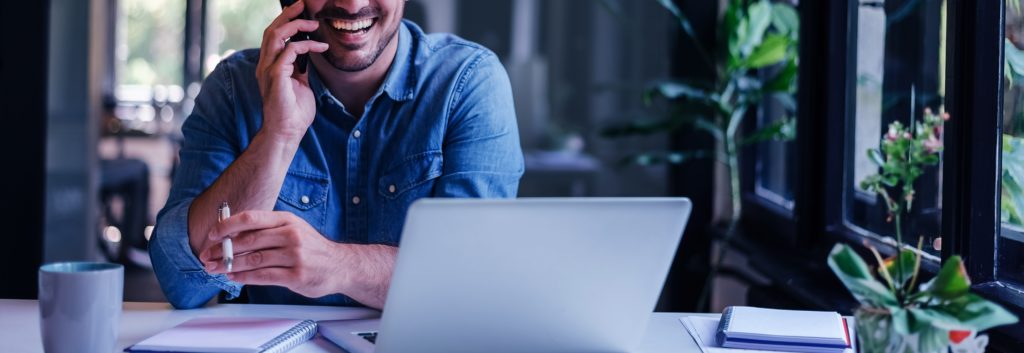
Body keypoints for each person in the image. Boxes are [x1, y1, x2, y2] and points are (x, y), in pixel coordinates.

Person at [149, 0, 523, 310]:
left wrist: (336, 266)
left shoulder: (469, 81)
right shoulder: (234, 88)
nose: (352, 4)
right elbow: (181, 283)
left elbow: (474, 282)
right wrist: (279, 135)